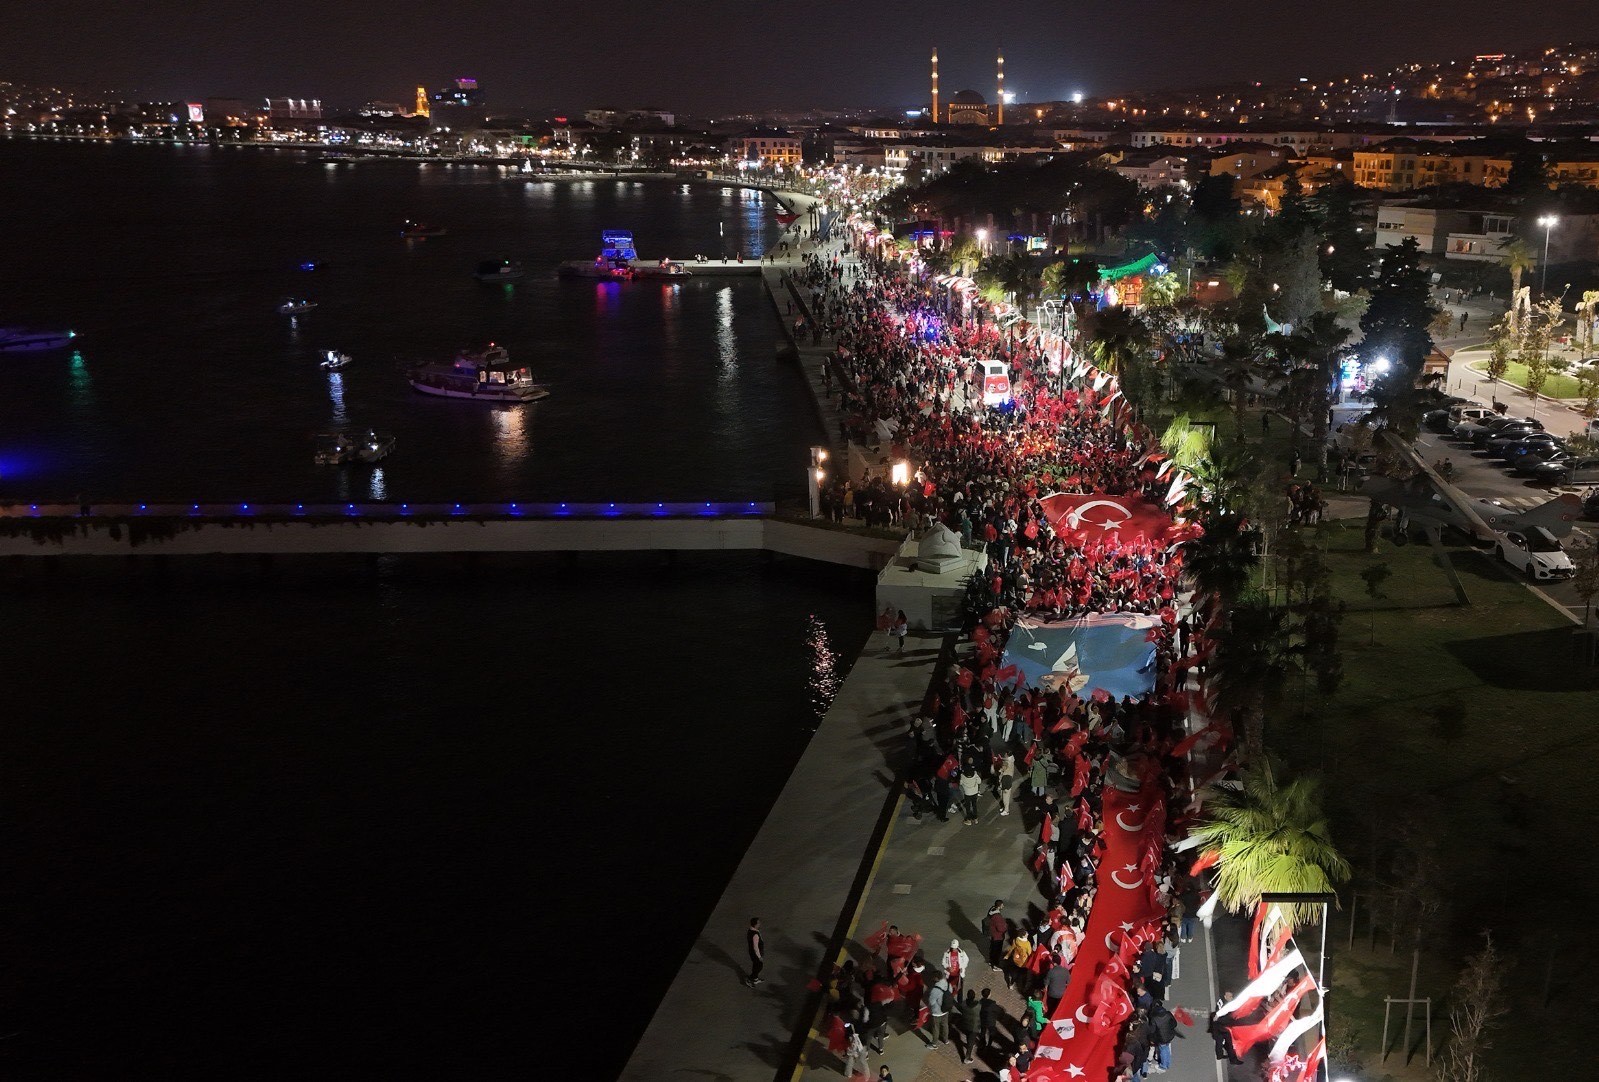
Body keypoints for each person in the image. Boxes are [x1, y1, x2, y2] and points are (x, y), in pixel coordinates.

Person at [926, 973, 952, 1048]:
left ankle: (934, 1043)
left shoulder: (935, 990)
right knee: (945, 1025)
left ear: (936, 978)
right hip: (946, 1009)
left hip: (937, 1012)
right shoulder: (947, 984)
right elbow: (950, 992)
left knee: (936, 1028)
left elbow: (931, 1002)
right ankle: (946, 1040)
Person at [957, 988, 982, 1063]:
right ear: (974, 997)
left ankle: (969, 1044)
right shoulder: (978, 1005)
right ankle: (967, 1057)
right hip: (974, 1026)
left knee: (968, 1036)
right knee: (971, 1041)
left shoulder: (964, 1003)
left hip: (966, 1024)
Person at [986, 900, 1008, 969]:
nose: (1003, 906)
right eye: (1002, 905)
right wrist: (1005, 927)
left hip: (993, 934)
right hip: (998, 936)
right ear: (999, 906)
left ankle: (991, 961)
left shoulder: (992, 910)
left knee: (992, 949)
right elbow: (1000, 928)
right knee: (997, 951)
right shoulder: (997, 916)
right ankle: (995, 965)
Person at [746, 917, 765, 986]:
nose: (760, 924)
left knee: (756, 965)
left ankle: (755, 978)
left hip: (751, 952)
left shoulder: (751, 930)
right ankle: (750, 978)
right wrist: (759, 956)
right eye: (758, 923)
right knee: (759, 966)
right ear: (755, 924)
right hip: (755, 953)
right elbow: (755, 947)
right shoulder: (755, 934)